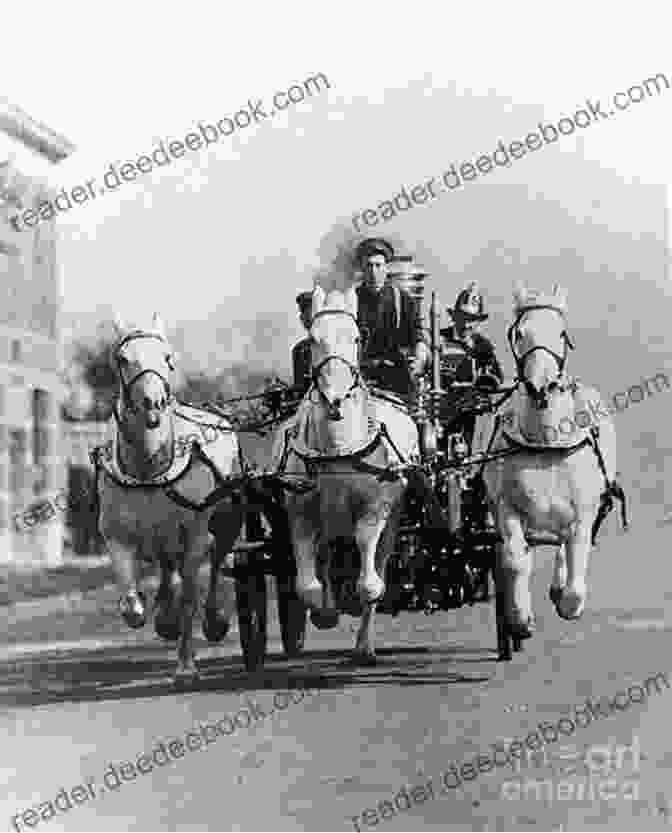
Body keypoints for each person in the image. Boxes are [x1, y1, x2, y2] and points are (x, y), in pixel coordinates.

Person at [354, 238, 429, 398]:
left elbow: (416, 333)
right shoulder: (351, 300)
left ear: (386, 268)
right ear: (362, 268)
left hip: (395, 377)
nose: (373, 272)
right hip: (359, 376)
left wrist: (420, 353)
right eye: (369, 266)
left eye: (378, 265)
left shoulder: (402, 299)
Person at [439, 282, 503, 454]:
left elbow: (496, 378)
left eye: (472, 320)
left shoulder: (484, 346)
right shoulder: (439, 340)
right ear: (454, 317)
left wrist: (486, 385)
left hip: (472, 415)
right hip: (441, 413)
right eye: (464, 318)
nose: (467, 325)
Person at [291, 291, 314, 396]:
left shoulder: (336, 342)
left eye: (311, 311)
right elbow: (299, 389)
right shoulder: (299, 350)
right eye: (303, 313)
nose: (305, 317)